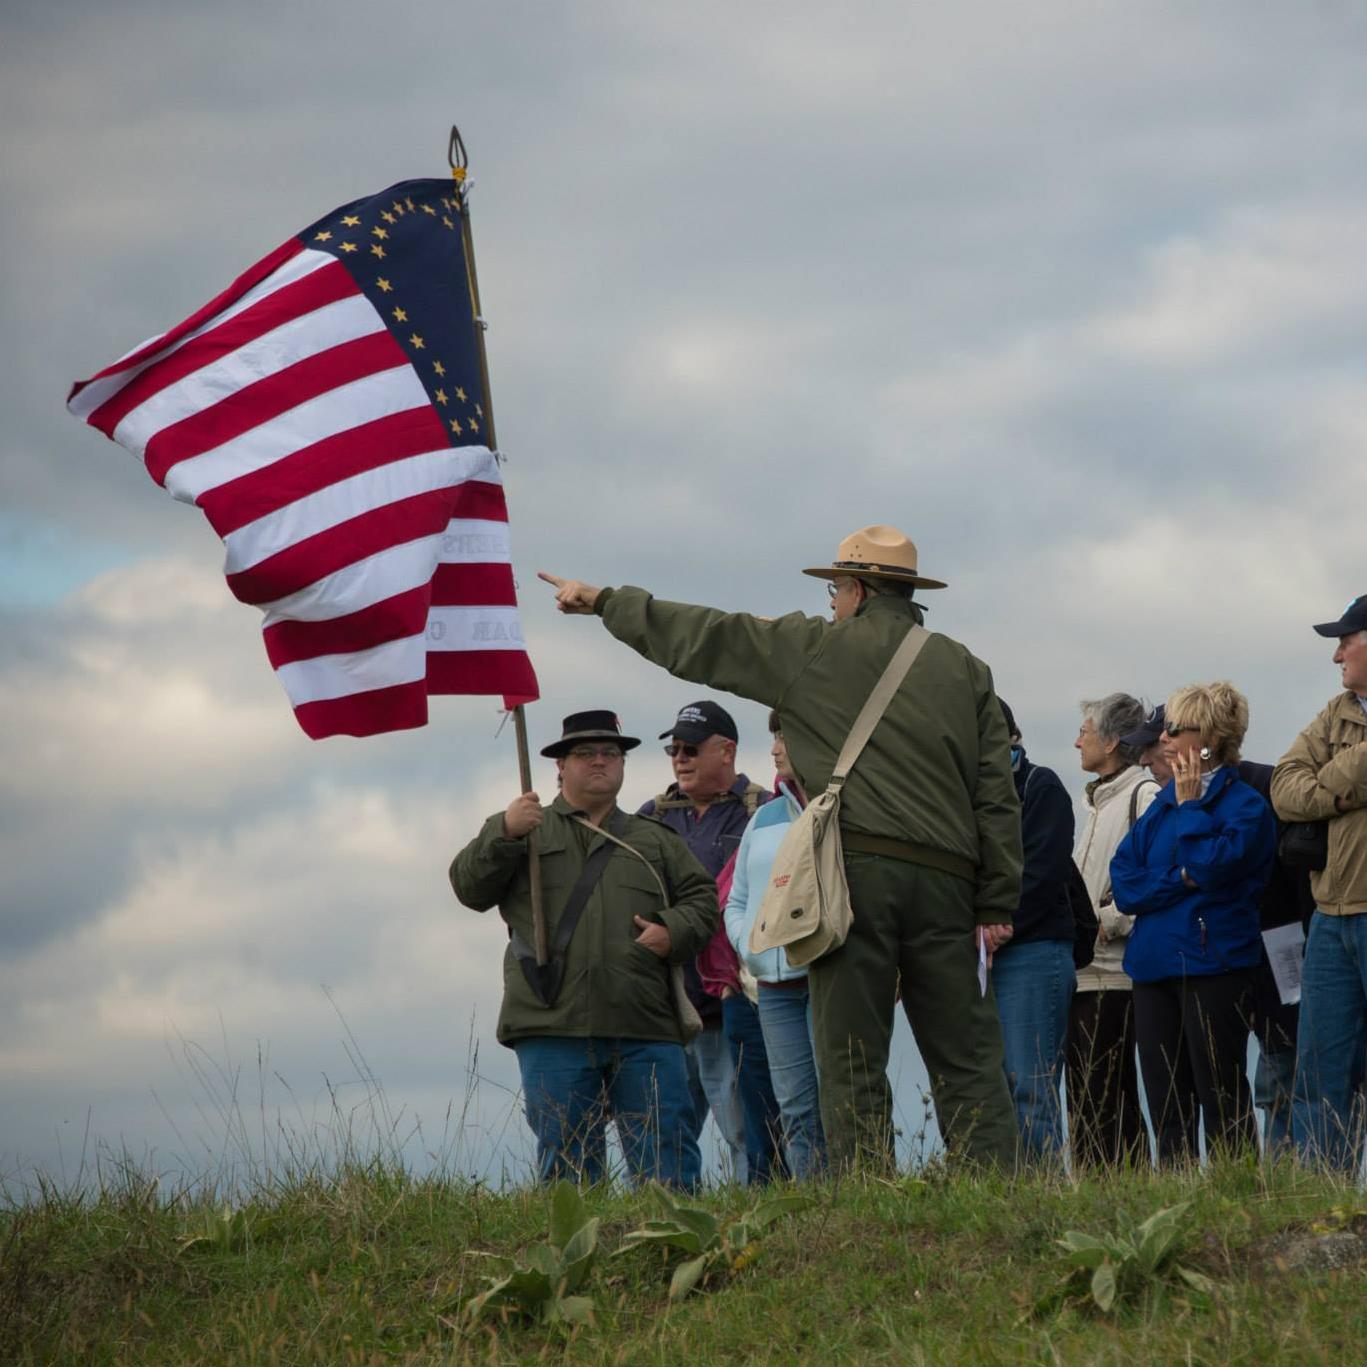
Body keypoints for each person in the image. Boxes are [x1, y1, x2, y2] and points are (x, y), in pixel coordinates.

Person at [539, 524, 1023, 1172]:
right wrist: (993, 895)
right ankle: (996, 1192)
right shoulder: (964, 667)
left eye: (833, 588)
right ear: (906, 592)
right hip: (946, 880)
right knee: (967, 1057)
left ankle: (870, 1205)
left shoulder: (813, 649)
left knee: (850, 1057)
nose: (830, 601)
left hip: (850, 874)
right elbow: (996, 793)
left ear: (854, 588)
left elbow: (701, 636)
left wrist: (603, 600)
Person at [448, 710, 719, 1189]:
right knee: (568, 1171)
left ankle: (676, 1256)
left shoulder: (653, 839)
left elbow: (703, 902)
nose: (600, 762)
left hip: (645, 1023)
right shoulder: (524, 828)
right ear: (559, 766)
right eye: (585, 753)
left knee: (668, 1161)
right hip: (553, 1023)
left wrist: (672, 931)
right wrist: (503, 831)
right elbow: (468, 889)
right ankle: (576, 1262)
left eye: (611, 753)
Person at [1126, 703, 1311, 1153]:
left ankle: (1251, 1189)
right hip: (1155, 963)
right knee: (1167, 1098)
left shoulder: (1251, 796)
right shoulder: (1163, 802)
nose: (1162, 743)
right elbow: (1126, 883)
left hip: (1233, 954)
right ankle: (1174, 1198)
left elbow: (1212, 864)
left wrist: (1191, 816)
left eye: (1172, 731)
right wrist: (1182, 879)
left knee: (1230, 1090)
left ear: (1206, 739)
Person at [638, 700, 783, 1184]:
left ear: (727, 751)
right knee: (662, 1136)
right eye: (673, 748)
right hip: (667, 1005)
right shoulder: (650, 817)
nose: (680, 757)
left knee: (746, 1130)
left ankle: (754, 1230)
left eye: (691, 748)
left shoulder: (765, 812)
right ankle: (668, 1232)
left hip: (734, 1005)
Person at [1272, 593, 1367, 1173]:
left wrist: (1327, 782)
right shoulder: (1337, 713)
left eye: (1345, 642)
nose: (1336, 656)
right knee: (1319, 1072)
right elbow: (1285, 787)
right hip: (1331, 915)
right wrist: (1341, 789)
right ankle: (1321, 1209)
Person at [725, 711, 826, 1179]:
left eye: (785, 736)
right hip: (775, 987)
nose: (775, 748)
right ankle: (814, 1205)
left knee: (841, 1096)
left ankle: (862, 1198)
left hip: (830, 974)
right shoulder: (763, 816)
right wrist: (750, 947)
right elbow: (738, 898)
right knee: (795, 1106)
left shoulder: (844, 807)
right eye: (774, 737)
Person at [1068, 693, 1158, 1166]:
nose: (1076, 740)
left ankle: (1122, 1193)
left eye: (1085, 730)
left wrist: (1107, 920)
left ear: (1112, 739)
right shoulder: (1098, 803)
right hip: (1085, 972)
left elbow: (1157, 871)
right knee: (1087, 1098)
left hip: (1115, 973)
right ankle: (1098, 1194)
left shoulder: (1142, 796)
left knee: (1106, 1098)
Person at [991, 699, 1076, 1163]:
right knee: (996, 1089)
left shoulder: (1040, 786)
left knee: (1030, 1084)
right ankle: (1004, 1194)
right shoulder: (964, 796)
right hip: (982, 956)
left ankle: (1041, 1194)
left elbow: (1043, 873)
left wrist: (995, 923)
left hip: (1032, 950)